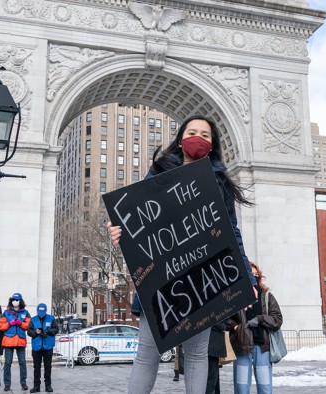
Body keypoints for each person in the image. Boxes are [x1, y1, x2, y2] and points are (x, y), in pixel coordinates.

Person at [107, 115, 256, 394]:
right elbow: (138, 219)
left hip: (201, 278)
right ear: (181, 138)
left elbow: (232, 232)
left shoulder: (220, 182)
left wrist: (247, 278)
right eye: (192, 132)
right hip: (159, 278)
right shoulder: (159, 171)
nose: (198, 137)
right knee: (147, 354)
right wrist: (119, 232)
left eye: (205, 134)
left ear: (212, 145)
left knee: (198, 355)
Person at [227, 262, 282, 394]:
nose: (255, 277)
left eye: (257, 275)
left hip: (262, 348)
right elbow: (226, 317)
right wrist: (235, 327)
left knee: (265, 388)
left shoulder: (267, 296)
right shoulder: (236, 296)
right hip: (242, 347)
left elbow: (277, 319)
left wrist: (261, 318)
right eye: (251, 274)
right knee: (241, 388)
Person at [0, 293, 32, 391]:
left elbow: (28, 325)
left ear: (20, 301)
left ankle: (23, 383)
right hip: (9, 341)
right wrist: (9, 323)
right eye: (14, 299)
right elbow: (1, 326)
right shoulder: (5, 313)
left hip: (20, 341)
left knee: (22, 363)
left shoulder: (25, 312)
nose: (15, 301)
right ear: (11, 300)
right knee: (7, 363)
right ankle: (7, 384)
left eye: (17, 300)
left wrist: (21, 323)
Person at [27, 303, 58, 393]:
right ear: (37, 311)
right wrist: (36, 333)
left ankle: (48, 385)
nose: (41, 313)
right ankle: (36, 386)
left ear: (45, 311)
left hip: (48, 346)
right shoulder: (33, 319)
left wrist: (48, 331)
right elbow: (29, 331)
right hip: (37, 346)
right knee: (36, 367)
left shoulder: (51, 318)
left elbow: (56, 329)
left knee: (48, 367)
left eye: (42, 311)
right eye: (40, 311)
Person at [206, 322, 227, 394]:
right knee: (211, 382)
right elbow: (222, 326)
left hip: (211, 349)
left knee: (212, 381)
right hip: (212, 349)